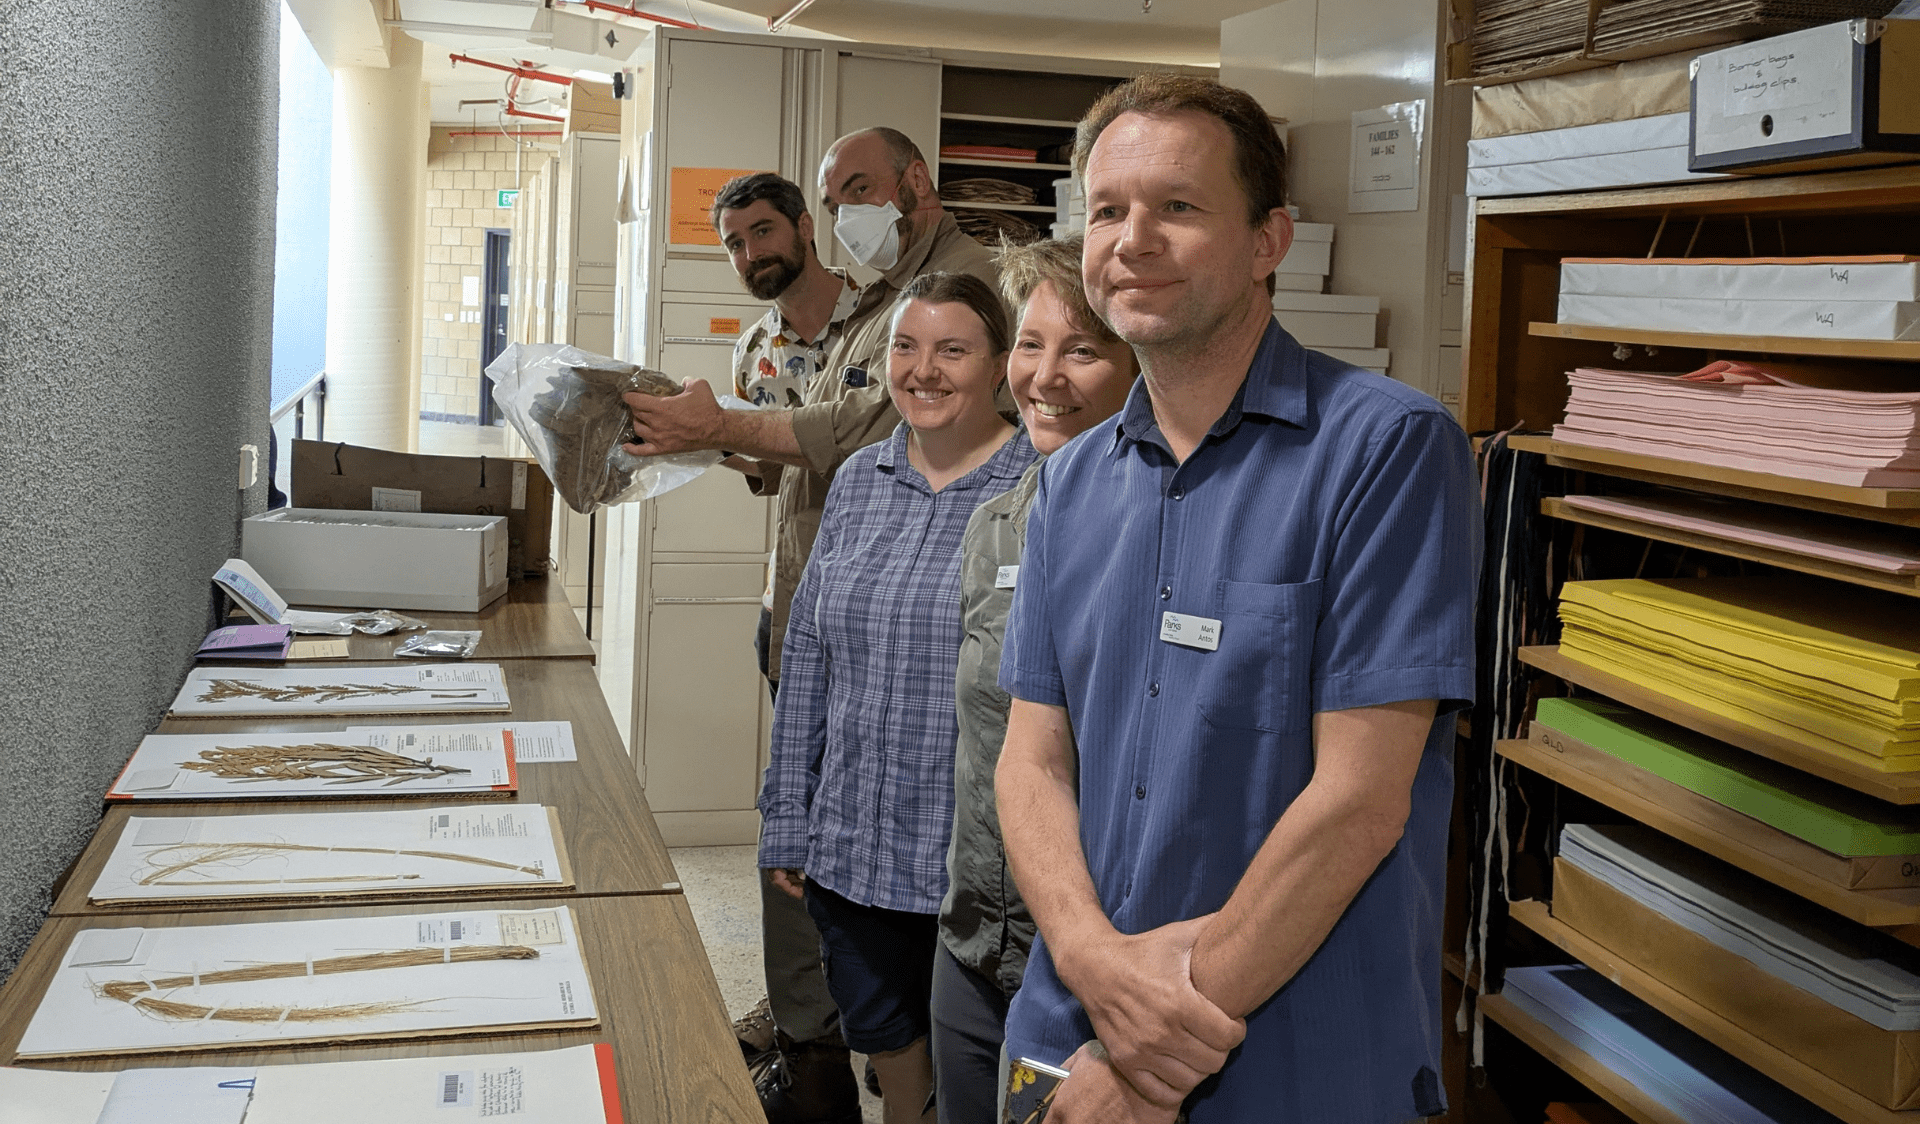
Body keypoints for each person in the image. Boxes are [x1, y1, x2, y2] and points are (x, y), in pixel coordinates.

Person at [995, 75, 1480, 1123]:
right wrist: (1088, 959)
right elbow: (1032, 756)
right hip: (1071, 1026)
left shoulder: (1387, 450)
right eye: (1109, 210)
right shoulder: (1071, 483)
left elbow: (1360, 798)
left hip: (1286, 1060)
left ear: (1270, 241)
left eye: (1178, 206)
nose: (1134, 239)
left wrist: (1146, 1058)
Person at [626, 133, 996, 1124]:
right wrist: (716, 435)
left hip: (912, 635)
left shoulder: (958, 285)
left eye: (856, 193)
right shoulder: (851, 312)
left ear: (915, 186)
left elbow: (861, 427)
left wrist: (725, 428)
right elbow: (807, 458)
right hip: (810, 606)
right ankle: (824, 1040)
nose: (756, 251)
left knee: (901, 864)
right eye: (836, 199)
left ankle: (855, 1044)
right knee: (812, 840)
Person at [759, 272, 1038, 1124]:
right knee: (887, 1039)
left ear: (998, 365)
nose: (924, 370)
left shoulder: (1042, 486)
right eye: (905, 348)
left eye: (953, 349)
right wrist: (787, 814)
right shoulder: (857, 480)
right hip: (853, 843)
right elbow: (807, 655)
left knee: (978, 1069)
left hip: (969, 860)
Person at [930, 236, 1137, 1124]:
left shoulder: (1161, 542)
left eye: (1082, 350)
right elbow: (982, 748)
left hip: (1097, 968)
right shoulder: (995, 527)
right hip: (975, 946)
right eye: (1029, 344)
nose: (1044, 376)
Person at [709, 172, 863, 698]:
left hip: (874, 596)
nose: (750, 253)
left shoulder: (884, 323)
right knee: (796, 775)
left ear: (804, 226)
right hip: (790, 597)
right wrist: (693, 442)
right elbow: (771, 468)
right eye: (735, 244)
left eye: (763, 231)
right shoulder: (752, 352)